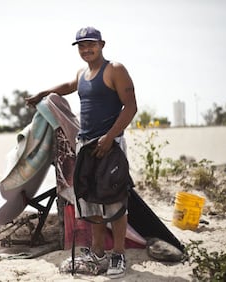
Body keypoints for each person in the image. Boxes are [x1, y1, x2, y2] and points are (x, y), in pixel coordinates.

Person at [25, 26, 137, 279]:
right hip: (86, 145)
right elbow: (70, 85)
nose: (86, 49)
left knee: (115, 200)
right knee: (91, 200)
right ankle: (98, 253)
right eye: (81, 46)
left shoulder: (115, 69)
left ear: (102, 44)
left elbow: (131, 107)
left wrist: (110, 137)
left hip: (110, 144)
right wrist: (44, 93)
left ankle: (118, 253)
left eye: (91, 44)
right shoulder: (83, 73)